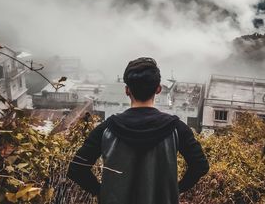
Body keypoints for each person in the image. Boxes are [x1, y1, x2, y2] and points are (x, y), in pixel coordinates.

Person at [67, 57, 209, 204]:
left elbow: (76, 169)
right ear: (158, 89)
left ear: (127, 90)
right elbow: (200, 165)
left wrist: (102, 192)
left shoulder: (106, 129)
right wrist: (176, 190)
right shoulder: (176, 128)